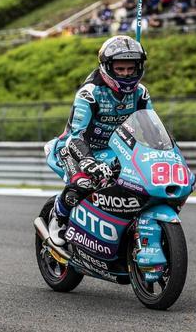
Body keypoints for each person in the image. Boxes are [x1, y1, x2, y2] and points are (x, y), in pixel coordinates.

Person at [45, 36, 153, 248]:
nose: (126, 74)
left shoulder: (141, 93)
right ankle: (58, 215)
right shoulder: (90, 93)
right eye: (120, 69)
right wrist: (87, 161)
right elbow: (76, 135)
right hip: (77, 148)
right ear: (107, 67)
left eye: (130, 69)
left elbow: (150, 127)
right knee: (83, 183)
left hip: (116, 151)